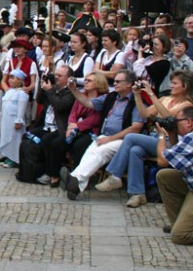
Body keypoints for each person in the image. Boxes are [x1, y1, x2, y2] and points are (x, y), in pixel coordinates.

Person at [96, 71, 193, 208]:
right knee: (135, 150)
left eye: (175, 83)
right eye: (171, 82)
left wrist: (151, 93)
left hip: (170, 140)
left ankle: (115, 175)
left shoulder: (186, 105)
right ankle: (138, 194)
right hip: (155, 136)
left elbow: (169, 118)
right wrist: (137, 95)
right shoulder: (165, 99)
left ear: (185, 86)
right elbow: (145, 113)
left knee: (130, 137)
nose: (171, 85)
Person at [60, 69, 145, 200]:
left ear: (129, 84)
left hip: (124, 139)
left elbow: (136, 128)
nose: (114, 83)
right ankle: (76, 185)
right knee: (90, 152)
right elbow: (88, 103)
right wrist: (74, 90)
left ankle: (75, 179)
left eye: (118, 81)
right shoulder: (111, 97)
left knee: (101, 152)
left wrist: (110, 139)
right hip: (105, 135)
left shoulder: (136, 101)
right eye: (114, 81)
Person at [43, 72, 108, 187]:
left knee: (79, 146)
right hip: (75, 128)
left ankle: (77, 179)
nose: (85, 82)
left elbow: (96, 118)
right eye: (85, 80)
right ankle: (54, 175)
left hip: (91, 131)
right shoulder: (81, 95)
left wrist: (78, 126)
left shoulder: (103, 99)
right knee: (56, 143)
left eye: (89, 80)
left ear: (98, 83)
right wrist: (71, 125)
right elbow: (73, 113)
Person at [29, 65, 76, 184]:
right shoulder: (53, 88)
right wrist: (42, 87)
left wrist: (49, 91)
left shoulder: (71, 91)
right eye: (56, 75)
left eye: (60, 76)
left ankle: (52, 174)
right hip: (47, 125)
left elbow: (60, 106)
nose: (57, 78)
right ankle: (31, 170)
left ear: (69, 78)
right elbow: (40, 100)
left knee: (49, 141)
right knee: (28, 136)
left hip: (61, 127)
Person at [154, 105, 193, 245]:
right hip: (190, 184)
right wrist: (171, 134)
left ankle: (184, 229)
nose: (175, 124)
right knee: (165, 176)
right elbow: (175, 159)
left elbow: (162, 161)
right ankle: (180, 222)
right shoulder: (187, 137)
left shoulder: (191, 138)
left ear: (189, 122)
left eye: (177, 121)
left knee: (180, 236)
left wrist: (161, 136)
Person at [0, 69, 29, 168]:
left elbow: (21, 108)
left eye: (13, 78)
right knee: (7, 137)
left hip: (14, 120)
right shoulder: (9, 92)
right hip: (6, 120)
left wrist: (19, 120)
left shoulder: (22, 93)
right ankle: (7, 156)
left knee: (15, 139)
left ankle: (15, 159)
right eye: (9, 78)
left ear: (20, 80)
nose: (10, 80)